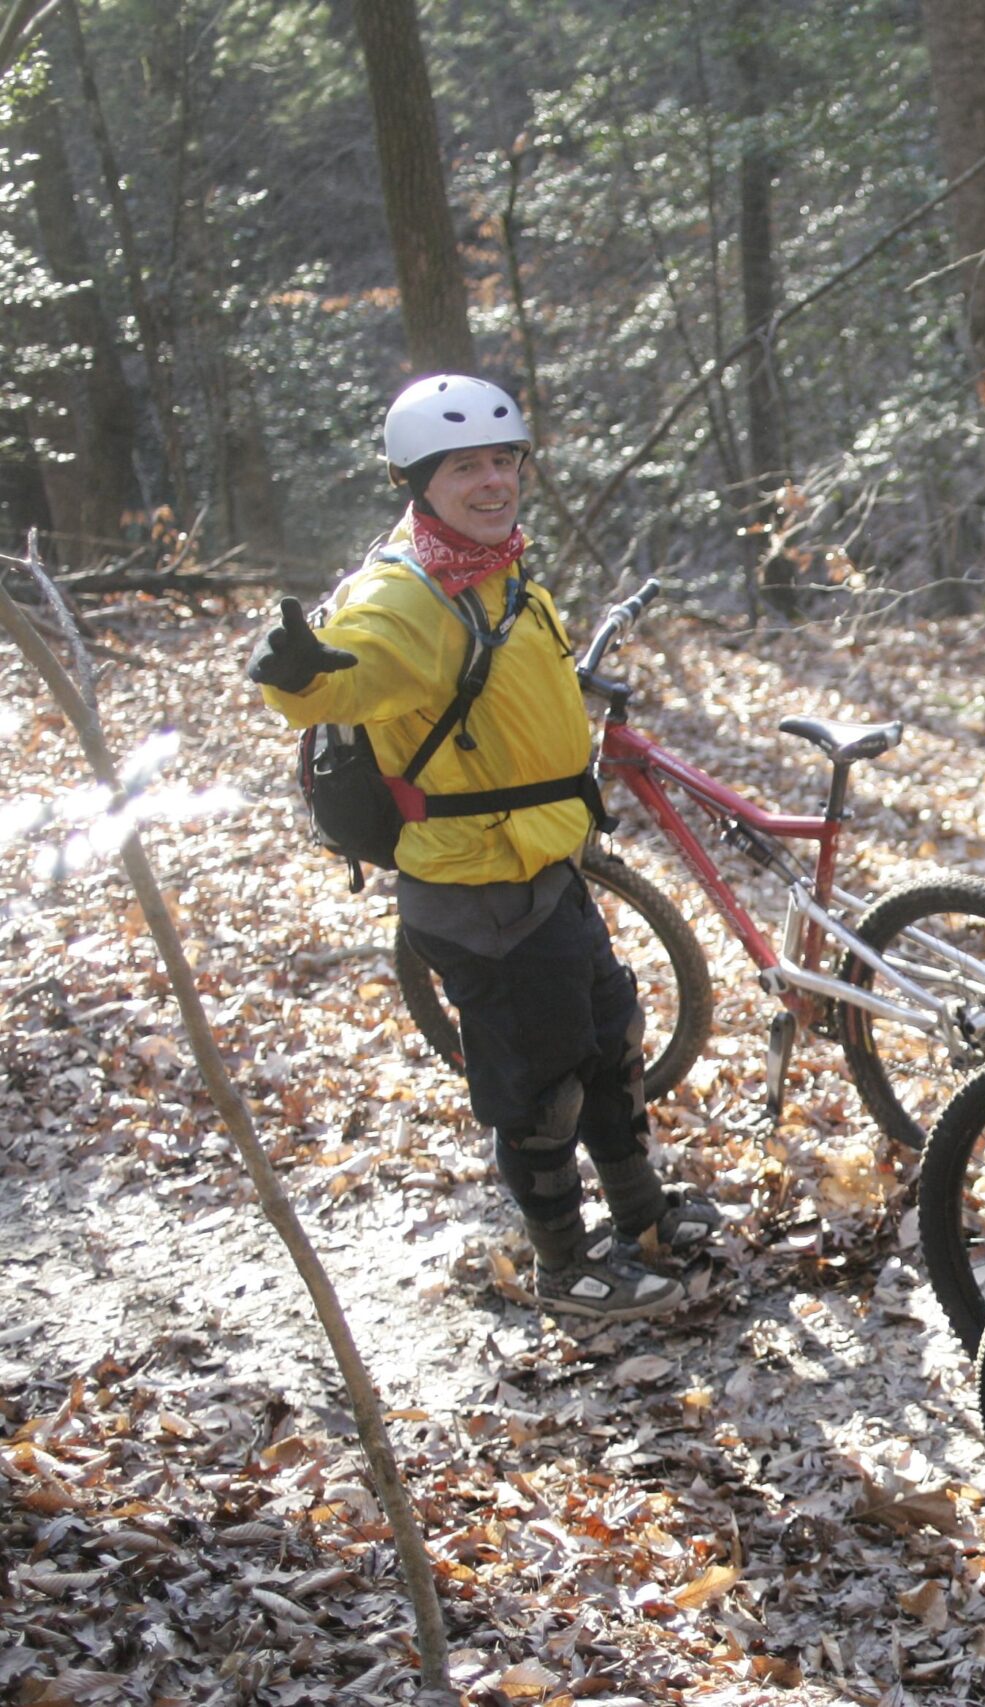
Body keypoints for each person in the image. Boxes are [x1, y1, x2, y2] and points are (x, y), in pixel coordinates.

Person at [249, 374, 717, 1323]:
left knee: (609, 1044)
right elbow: (353, 669)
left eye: (504, 459)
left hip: (545, 862)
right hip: (479, 885)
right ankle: (565, 1266)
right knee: (537, 1083)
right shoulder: (408, 591)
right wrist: (301, 679)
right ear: (421, 482)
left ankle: (642, 1219)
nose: (494, 479)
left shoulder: (499, 567)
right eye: (467, 466)